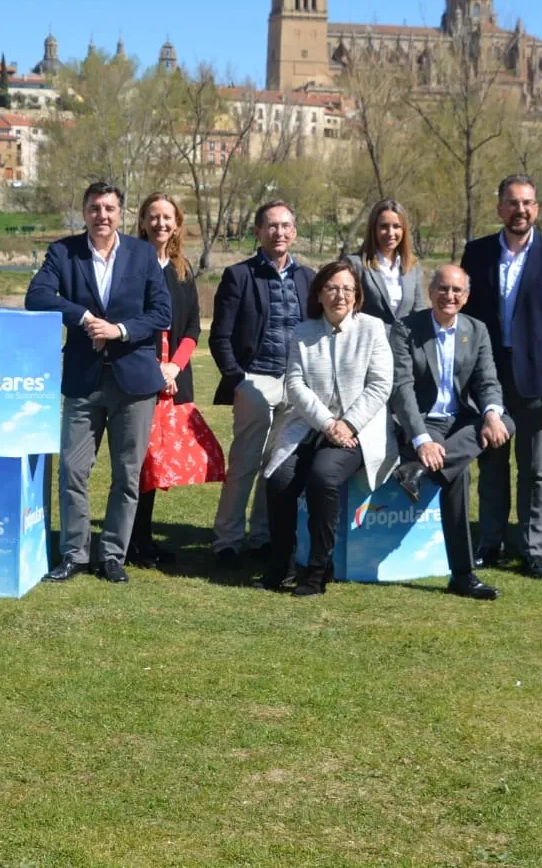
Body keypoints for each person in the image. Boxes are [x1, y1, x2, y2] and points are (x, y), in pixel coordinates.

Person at [26, 182, 171, 584]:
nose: (101, 216)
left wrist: (120, 330)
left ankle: (111, 555)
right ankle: (74, 553)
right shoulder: (63, 252)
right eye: (94, 208)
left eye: (108, 208)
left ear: (120, 213)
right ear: (84, 211)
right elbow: (36, 296)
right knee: (72, 470)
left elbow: (161, 312)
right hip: (83, 380)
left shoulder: (143, 254)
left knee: (127, 474)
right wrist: (85, 318)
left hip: (134, 382)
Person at [459, 175, 542, 579]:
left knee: (536, 468)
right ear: (499, 209)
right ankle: (490, 542)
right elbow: (464, 317)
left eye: (528, 203)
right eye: (512, 203)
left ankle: (532, 549)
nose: (521, 210)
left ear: (537, 210)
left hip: (539, 380)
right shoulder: (476, 253)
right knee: (491, 464)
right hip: (488, 376)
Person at [259, 259, 393, 596]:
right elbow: (295, 383)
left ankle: (318, 571)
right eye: (332, 288)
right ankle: (282, 566)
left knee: (323, 477)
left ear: (357, 295)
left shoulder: (373, 328)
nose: (340, 295)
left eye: (348, 289)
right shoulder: (303, 333)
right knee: (279, 480)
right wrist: (328, 422)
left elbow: (380, 384)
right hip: (310, 425)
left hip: (359, 429)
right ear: (319, 293)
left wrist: (347, 423)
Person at [389, 264, 510, 600]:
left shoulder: (477, 329)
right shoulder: (406, 329)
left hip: (461, 420)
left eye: (457, 291)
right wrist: (422, 439)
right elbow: (402, 389)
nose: (449, 296)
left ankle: (417, 472)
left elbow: (487, 381)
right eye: (443, 288)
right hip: (427, 421)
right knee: (457, 477)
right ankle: (463, 574)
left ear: (466, 297)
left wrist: (491, 415)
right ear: (431, 292)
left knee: (505, 421)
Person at [208, 200, 314, 567]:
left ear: (295, 232)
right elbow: (220, 337)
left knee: (278, 464)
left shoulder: (308, 278)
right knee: (245, 463)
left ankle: (263, 536)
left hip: (295, 384)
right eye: (271, 226)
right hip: (254, 380)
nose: (279, 232)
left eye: (286, 226)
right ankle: (227, 540)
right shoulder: (239, 276)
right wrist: (239, 381)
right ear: (258, 232)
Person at [130, 192, 200, 567]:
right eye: (153, 216)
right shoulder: (131, 265)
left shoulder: (182, 270)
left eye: (167, 217)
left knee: (155, 466)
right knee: (137, 463)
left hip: (172, 380)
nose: (160, 223)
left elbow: (191, 327)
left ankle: (142, 539)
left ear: (177, 223)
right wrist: (154, 369)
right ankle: (131, 541)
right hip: (139, 376)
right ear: (142, 222)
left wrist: (173, 367)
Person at [348, 199, 425, 326]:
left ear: (404, 230)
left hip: (404, 343)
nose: (390, 233)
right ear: (373, 229)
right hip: (370, 342)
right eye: (384, 226)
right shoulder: (355, 264)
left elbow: (419, 310)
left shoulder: (412, 266)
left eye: (396, 226)